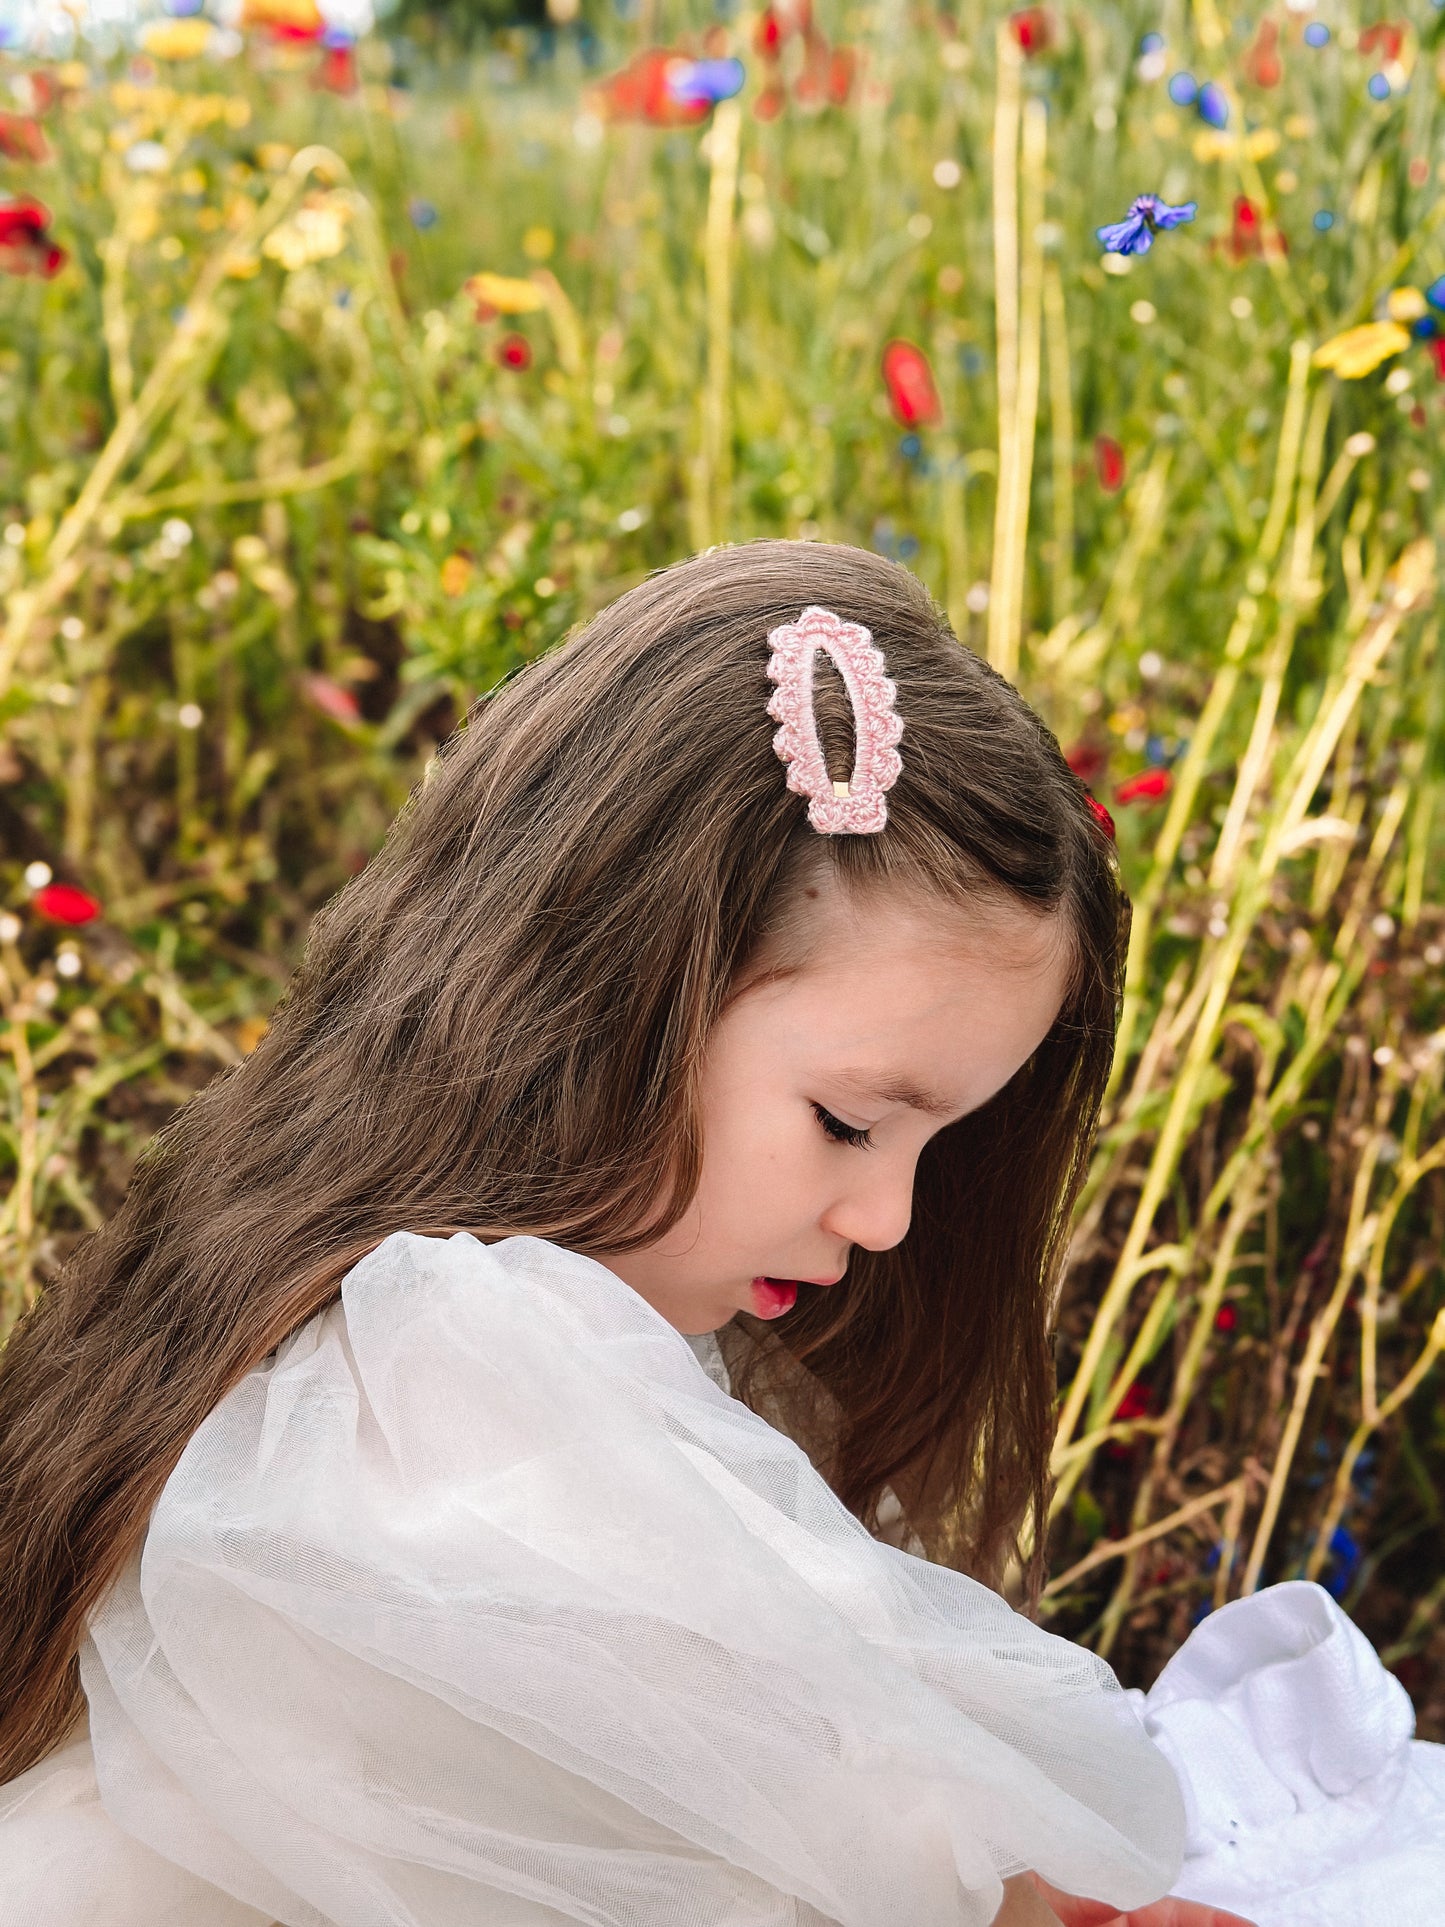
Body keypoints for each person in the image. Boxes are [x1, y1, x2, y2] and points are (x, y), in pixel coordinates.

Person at [0, 543, 1432, 1927]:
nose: (884, 1219)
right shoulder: (452, 1360)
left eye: (938, 1145)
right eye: (849, 1122)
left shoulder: (347, 1310)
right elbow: (814, 1830)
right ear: (595, 997)